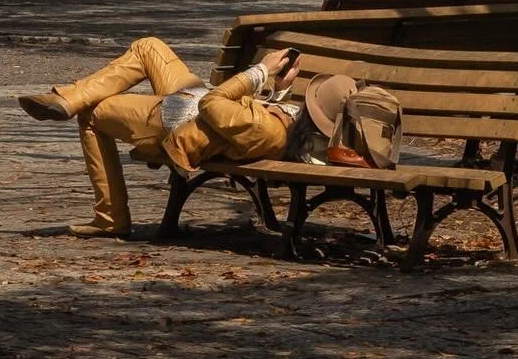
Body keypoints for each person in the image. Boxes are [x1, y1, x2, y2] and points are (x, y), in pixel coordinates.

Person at [18, 40, 351, 239]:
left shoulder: (268, 133)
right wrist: (279, 88)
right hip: (190, 98)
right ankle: (68, 98)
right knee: (148, 45)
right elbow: (252, 116)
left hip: (178, 121)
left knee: (93, 113)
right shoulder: (291, 125)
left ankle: (111, 217)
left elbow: (214, 106)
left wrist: (260, 71)